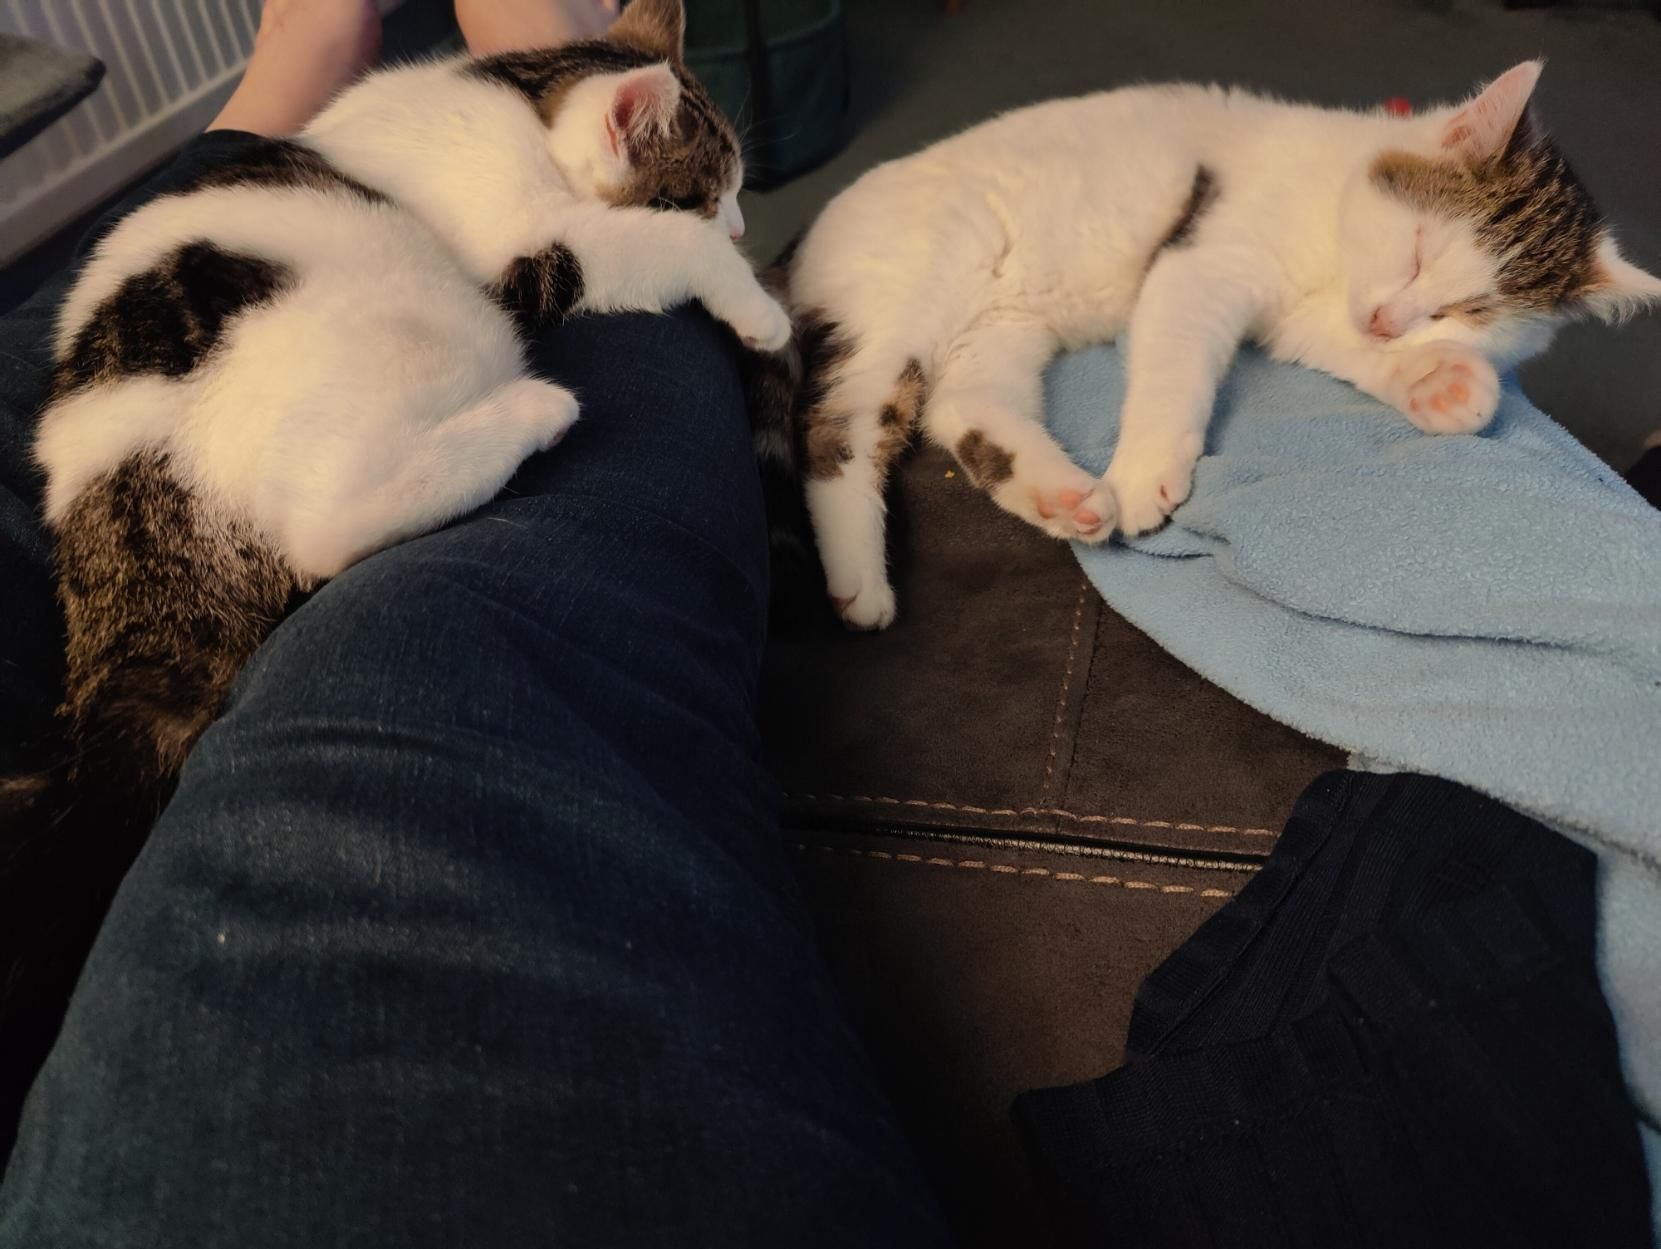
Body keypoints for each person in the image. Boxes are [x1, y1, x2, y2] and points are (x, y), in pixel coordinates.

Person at [0, 2, 953, 1243]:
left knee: (57, 351)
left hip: (163, 416)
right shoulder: (573, 159)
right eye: (705, 199)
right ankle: (484, 39)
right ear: (618, 120)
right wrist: (718, 273)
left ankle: (277, 90)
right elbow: (549, 269)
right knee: (542, 356)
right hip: (311, 412)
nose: (732, 224)